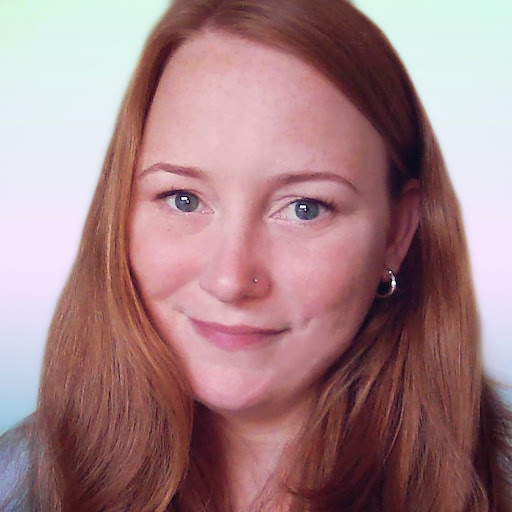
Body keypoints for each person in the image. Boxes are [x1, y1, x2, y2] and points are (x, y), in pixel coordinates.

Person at [1, 0, 511, 510]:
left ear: (396, 233)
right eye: (183, 199)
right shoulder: (19, 484)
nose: (229, 279)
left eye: (306, 208)